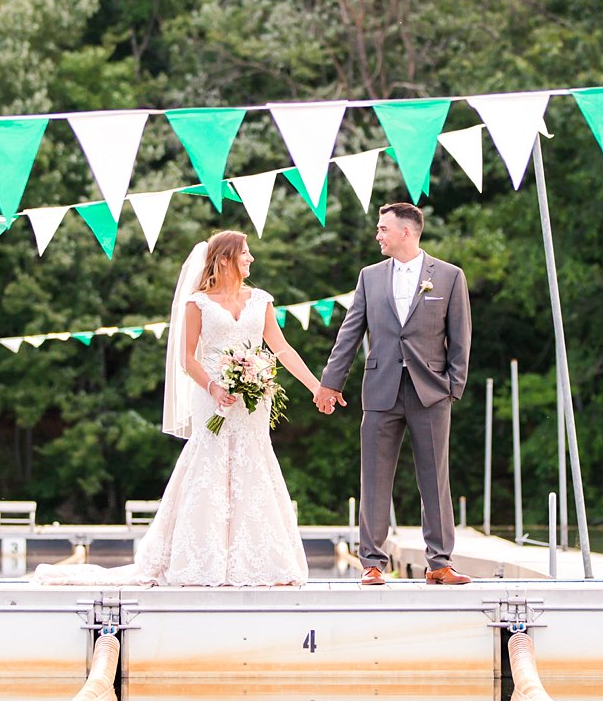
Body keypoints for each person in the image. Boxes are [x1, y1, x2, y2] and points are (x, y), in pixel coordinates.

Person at [34, 231, 321, 587]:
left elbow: (282, 349)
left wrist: (316, 387)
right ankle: (202, 560)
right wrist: (214, 386)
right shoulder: (197, 303)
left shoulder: (261, 300)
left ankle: (255, 561)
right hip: (211, 393)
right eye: (245, 253)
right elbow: (186, 357)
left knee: (253, 464)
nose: (251, 259)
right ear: (225, 259)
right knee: (210, 465)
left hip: (252, 402)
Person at [314, 202, 473, 586]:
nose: (378, 235)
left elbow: (461, 336)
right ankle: (371, 562)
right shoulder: (369, 276)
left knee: (435, 478)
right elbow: (350, 333)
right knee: (374, 478)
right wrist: (330, 383)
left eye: (383, 228)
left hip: (430, 392)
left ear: (407, 232)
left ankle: (439, 562)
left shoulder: (450, 276)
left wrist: (453, 386)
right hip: (380, 389)